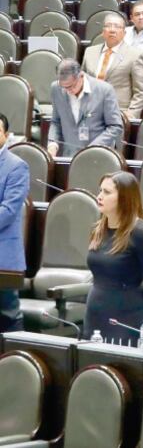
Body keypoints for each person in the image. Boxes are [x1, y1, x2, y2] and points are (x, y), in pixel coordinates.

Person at [84, 172, 143, 344]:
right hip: (95, 313)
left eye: (107, 192)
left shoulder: (140, 233)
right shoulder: (98, 229)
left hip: (127, 316)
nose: (99, 196)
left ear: (124, 198)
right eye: (100, 191)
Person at [47, 59, 124, 157]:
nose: (68, 91)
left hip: (98, 156)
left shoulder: (104, 90)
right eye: (64, 87)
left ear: (81, 76)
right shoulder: (56, 88)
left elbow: (115, 126)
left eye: (71, 86)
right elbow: (56, 121)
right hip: (69, 155)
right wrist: (52, 143)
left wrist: (92, 149)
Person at [81, 11, 143, 119]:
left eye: (117, 26)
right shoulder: (90, 52)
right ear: (103, 31)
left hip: (118, 114)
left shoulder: (135, 55)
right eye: (108, 26)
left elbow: (141, 91)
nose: (112, 30)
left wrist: (131, 115)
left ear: (124, 33)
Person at [0, 113, 28, 332]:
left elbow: (8, 211)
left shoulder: (17, 166)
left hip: (4, 256)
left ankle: (13, 363)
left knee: (7, 316)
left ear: (6, 136)